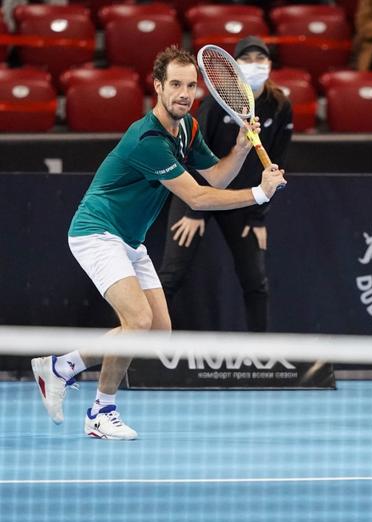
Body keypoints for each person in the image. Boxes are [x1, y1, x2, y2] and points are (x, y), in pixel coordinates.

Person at [30, 46, 287, 440]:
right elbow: (197, 197)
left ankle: (67, 375)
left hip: (129, 240)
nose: (185, 93)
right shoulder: (148, 138)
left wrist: (238, 148)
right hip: (96, 232)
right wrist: (259, 194)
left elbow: (216, 178)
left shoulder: (187, 128)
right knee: (137, 321)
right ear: (157, 87)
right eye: (176, 85)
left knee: (157, 330)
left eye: (190, 86)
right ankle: (99, 407)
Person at [159, 36, 292, 333]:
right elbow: (191, 156)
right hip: (200, 192)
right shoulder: (214, 106)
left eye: (261, 59)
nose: (255, 65)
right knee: (171, 275)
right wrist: (195, 210)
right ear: (235, 68)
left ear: (270, 65)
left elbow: (277, 162)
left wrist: (259, 214)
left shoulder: (281, 106)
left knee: (256, 281)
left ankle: (259, 362)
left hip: (243, 200)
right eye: (248, 59)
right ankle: (141, 355)